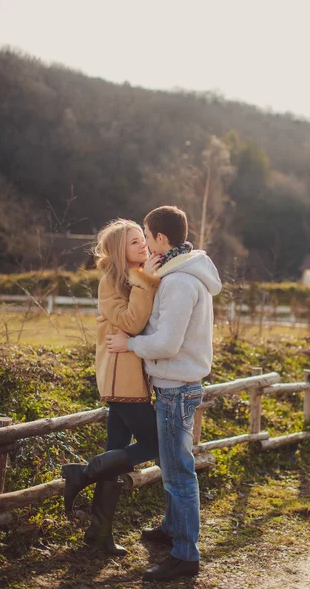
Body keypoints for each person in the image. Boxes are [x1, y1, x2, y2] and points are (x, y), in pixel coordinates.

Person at [106, 206, 222, 581]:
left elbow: (167, 343)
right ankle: (172, 529)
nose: (144, 240)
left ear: (161, 239)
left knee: (178, 475)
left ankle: (185, 556)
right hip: (177, 385)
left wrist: (130, 343)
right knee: (175, 466)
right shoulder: (183, 272)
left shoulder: (178, 282)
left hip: (175, 388)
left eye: (146, 233)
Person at [61, 218, 161, 556]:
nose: (142, 246)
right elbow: (133, 322)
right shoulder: (112, 282)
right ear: (120, 250)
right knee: (157, 442)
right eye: (134, 242)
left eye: (142, 240)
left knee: (115, 453)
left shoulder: (134, 277)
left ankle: (99, 532)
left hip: (129, 376)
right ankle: (82, 474)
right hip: (122, 378)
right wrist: (147, 279)